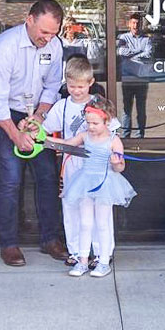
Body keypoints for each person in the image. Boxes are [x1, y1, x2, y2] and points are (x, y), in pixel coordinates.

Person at [0, 0, 68, 267]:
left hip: (37, 114)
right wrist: (15, 135)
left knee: (46, 176)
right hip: (6, 115)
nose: (48, 38)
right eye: (43, 32)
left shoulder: (54, 46)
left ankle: (50, 238)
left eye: (53, 33)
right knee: (10, 180)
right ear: (29, 19)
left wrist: (39, 118)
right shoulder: (5, 46)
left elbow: (52, 86)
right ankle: (9, 243)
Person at [59, 96, 134, 279]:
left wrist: (116, 163)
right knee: (85, 223)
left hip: (105, 184)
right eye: (88, 122)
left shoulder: (114, 141)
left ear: (107, 121)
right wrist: (43, 140)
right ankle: (83, 261)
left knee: (102, 224)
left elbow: (120, 167)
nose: (90, 127)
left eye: (95, 123)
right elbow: (69, 144)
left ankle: (103, 262)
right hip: (85, 182)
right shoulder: (85, 136)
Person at [42, 55, 102, 267]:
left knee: (96, 207)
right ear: (66, 84)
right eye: (72, 86)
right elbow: (45, 130)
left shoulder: (99, 104)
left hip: (94, 163)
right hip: (70, 163)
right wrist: (33, 130)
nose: (76, 90)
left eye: (81, 86)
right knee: (71, 205)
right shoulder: (62, 106)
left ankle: (98, 251)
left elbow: (112, 131)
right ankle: (76, 250)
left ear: (91, 83)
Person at [117, 11, 152, 139]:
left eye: (137, 23)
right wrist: (139, 52)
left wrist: (131, 55)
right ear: (129, 24)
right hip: (127, 77)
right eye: (133, 23)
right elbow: (121, 52)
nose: (135, 25)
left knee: (141, 109)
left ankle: (140, 136)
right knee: (127, 109)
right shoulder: (123, 38)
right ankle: (126, 136)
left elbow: (148, 54)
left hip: (142, 78)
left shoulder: (147, 39)